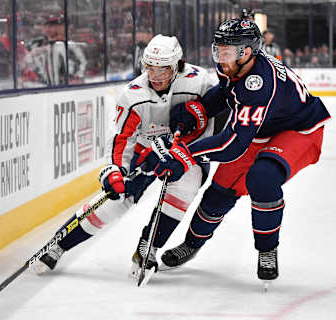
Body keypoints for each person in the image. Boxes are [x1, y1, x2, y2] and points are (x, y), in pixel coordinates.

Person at [147, 19, 331, 283]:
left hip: (300, 130)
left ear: (246, 52)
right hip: (260, 129)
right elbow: (226, 93)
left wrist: (184, 154)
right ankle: (192, 243)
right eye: (218, 50)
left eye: (227, 52)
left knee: (263, 177)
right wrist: (197, 110)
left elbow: (232, 144)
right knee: (219, 193)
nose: (221, 58)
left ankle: (267, 249)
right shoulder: (237, 65)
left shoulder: (259, 83)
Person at [33, 34, 217, 280]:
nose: (156, 76)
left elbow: (215, 121)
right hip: (146, 146)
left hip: (188, 147)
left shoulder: (199, 82)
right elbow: (122, 139)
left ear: (178, 65)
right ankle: (59, 244)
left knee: (185, 185)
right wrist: (115, 170)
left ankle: (147, 247)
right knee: (117, 198)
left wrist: (182, 151)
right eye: (151, 68)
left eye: (164, 69)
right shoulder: (132, 95)